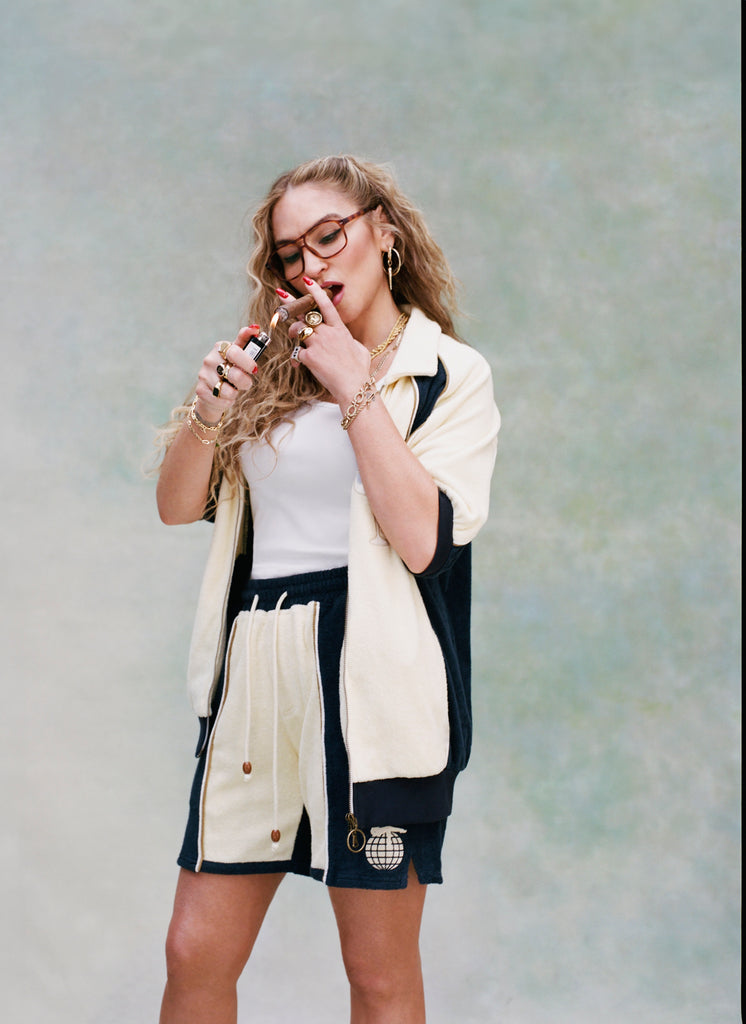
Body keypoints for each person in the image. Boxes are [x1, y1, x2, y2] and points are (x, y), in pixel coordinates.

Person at [153, 154, 500, 1024]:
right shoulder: (269, 370)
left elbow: (424, 542)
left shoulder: (448, 373)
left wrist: (353, 383)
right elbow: (175, 506)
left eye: (329, 237)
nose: (312, 266)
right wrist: (206, 413)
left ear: (384, 232)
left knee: (378, 975)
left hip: (372, 681)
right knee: (194, 953)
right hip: (257, 666)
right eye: (289, 255)